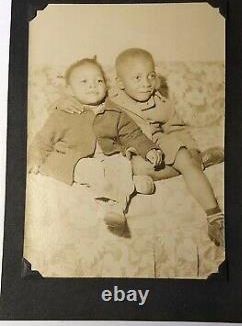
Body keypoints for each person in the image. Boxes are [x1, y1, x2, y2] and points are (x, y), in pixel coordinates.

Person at [53, 49, 224, 247]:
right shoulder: (110, 99)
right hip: (131, 148)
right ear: (120, 83)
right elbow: (82, 101)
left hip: (158, 142)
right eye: (137, 78)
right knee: (131, 168)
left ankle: (214, 217)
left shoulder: (162, 103)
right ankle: (199, 164)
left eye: (151, 75)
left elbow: (177, 129)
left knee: (184, 155)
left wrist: (191, 149)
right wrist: (62, 102)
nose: (146, 83)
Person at [28, 57, 162, 235]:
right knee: (93, 170)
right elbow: (43, 140)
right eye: (84, 82)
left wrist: (149, 149)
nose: (93, 85)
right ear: (70, 90)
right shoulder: (63, 113)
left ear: (106, 85)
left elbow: (133, 135)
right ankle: (126, 192)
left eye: (98, 80)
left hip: (109, 157)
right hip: (77, 160)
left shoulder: (114, 112)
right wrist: (34, 160)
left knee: (122, 164)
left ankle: (116, 209)